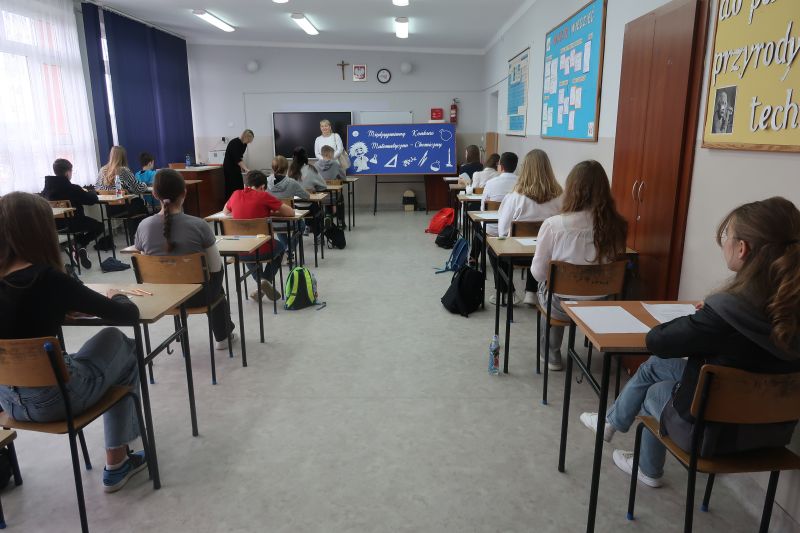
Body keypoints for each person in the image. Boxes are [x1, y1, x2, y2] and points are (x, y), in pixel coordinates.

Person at [580, 196, 800, 489]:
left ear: (742, 248)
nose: (724, 242)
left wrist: (708, 313)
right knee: (657, 367)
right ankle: (610, 422)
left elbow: (658, 340)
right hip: (772, 434)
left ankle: (646, 467)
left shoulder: (726, 313)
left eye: (727, 235)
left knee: (654, 390)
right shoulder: (787, 308)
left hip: (712, 436)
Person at [0, 192, 147, 493]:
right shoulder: (49, 279)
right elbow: (126, 315)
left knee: (80, 354)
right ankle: (117, 462)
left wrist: (59, 308)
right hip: (57, 401)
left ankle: (118, 460)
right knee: (120, 342)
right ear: (41, 230)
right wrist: (118, 295)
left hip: (9, 404)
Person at [531, 160, 627, 370]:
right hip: (601, 304)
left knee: (547, 286)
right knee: (556, 286)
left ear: (571, 189)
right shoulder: (617, 226)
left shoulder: (553, 225)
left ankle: (551, 354)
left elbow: (538, 273)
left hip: (561, 307)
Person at [134, 169, 235, 349]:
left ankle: (181, 317)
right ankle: (223, 337)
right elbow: (215, 267)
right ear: (184, 193)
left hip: (161, 296)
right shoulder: (199, 225)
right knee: (216, 280)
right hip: (197, 297)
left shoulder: (143, 226)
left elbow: (145, 260)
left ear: (154, 194)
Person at [489, 149, 563, 306]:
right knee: (538, 245)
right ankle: (531, 292)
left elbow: (503, 231)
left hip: (517, 254)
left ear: (525, 169)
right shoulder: (561, 197)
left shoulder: (514, 197)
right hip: (549, 255)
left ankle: (507, 292)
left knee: (493, 249)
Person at [223, 170, 294, 301]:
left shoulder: (235, 194)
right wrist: (270, 212)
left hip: (239, 251)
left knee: (247, 249)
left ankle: (261, 283)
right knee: (281, 247)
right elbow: (290, 212)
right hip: (264, 249)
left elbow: (225, 211)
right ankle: (264, 280)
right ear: (262, 187)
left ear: (246, 184)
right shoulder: (264, 196)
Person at [41, 158, 104, 269]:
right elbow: (90, 201)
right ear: (67, 173)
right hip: (74, 223)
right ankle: (79, 245)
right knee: (99, 226)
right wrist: (92, 193)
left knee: (80, 228)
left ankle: (78, 248)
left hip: (55, 224)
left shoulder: (45, 190)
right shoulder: (72, 188)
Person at [95, 145, 149, 241]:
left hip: (110, 209)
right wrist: (145, 184)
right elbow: (137, 188)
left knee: (137, 204)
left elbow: (97, 188)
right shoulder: (123, 170)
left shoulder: (102, 170)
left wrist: (111, 192)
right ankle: (140, 237)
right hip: (124, 208)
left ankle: (135, 238)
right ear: (123, 157)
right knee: (140, 203)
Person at [270, 155, 320, 236]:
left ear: (273, 168)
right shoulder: (291, 182)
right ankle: (291, 244)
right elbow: (306, 196)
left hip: (270, 223)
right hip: (290, 222)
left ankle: (287, 244)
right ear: (287, 169)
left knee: (280, 226)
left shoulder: (265, 182)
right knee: (302, 225)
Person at [480, 151, 519, 237]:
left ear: (501, 167)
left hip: (491, 228)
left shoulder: (490, 183)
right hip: (514, 231)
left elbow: (483, 207)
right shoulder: (521, 183)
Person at [223, 129, 254, 199]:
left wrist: (243, 168)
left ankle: (239, 200)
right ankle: (231, 202)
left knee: (239, 184)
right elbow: (237, 159)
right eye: (249, 140)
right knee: (232, 186)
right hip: (229, 167)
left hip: (236, 166)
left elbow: (240, 157)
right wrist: (246, 169)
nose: (249, 142)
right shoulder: (235, 143)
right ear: (245, 137)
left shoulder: (244, 144)